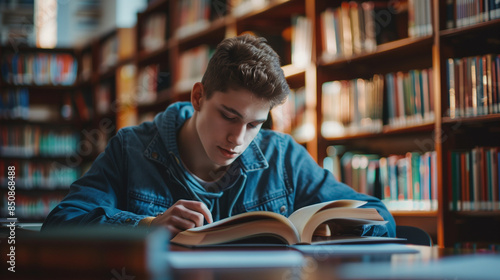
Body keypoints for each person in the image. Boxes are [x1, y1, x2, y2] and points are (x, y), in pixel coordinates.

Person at [42, 34, 395, 237]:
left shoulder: (284, 156)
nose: (238, 139)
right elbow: (60, 224)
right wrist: (147, 224)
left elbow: (380, 216)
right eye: (229, 116)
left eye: (255, 125)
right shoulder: (131, 147)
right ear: (198, 97)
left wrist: (338, 227)